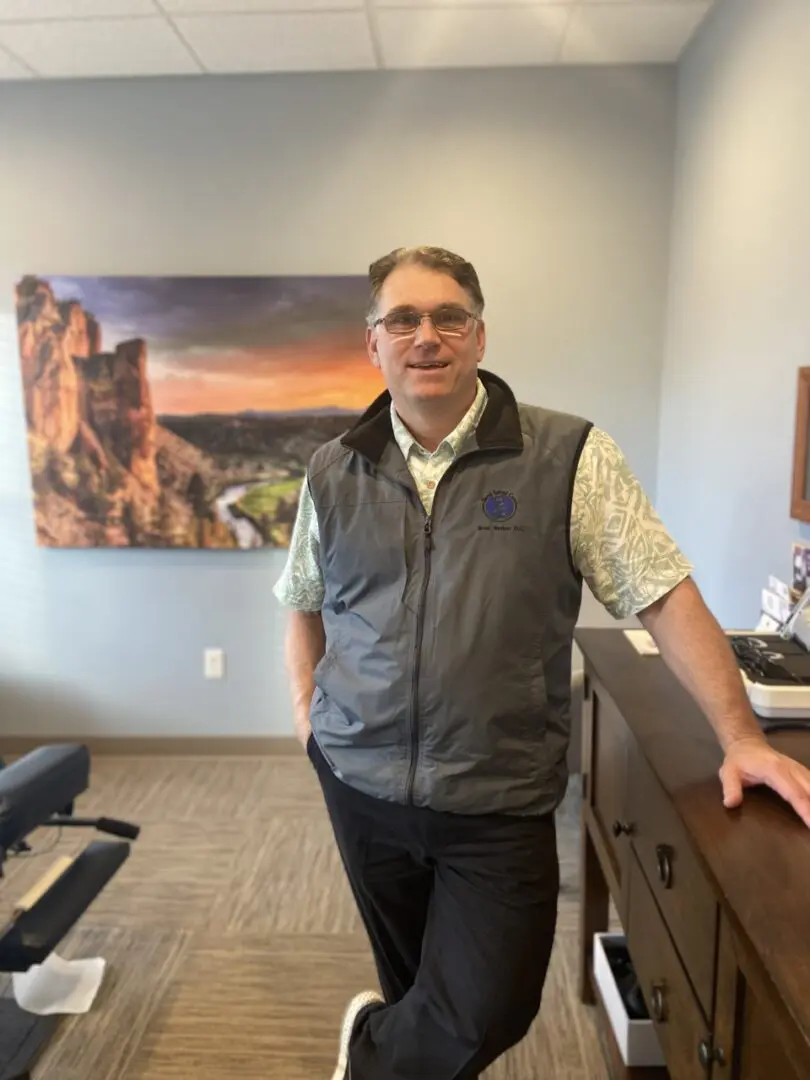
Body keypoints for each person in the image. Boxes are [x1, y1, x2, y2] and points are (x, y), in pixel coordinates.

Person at [273, 246, 810, 1080]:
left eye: (449, 316)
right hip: (361, 781)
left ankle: (366, 1052)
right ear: (371, 343)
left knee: (492, 1004)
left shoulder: (568, 456)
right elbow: (303, 597)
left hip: (499, 790)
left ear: (479, 336)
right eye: (402, 319)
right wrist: (309, 714)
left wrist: (740, 734)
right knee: (418, 986)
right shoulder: (332, 468)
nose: (427, 336)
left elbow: (663, 593)